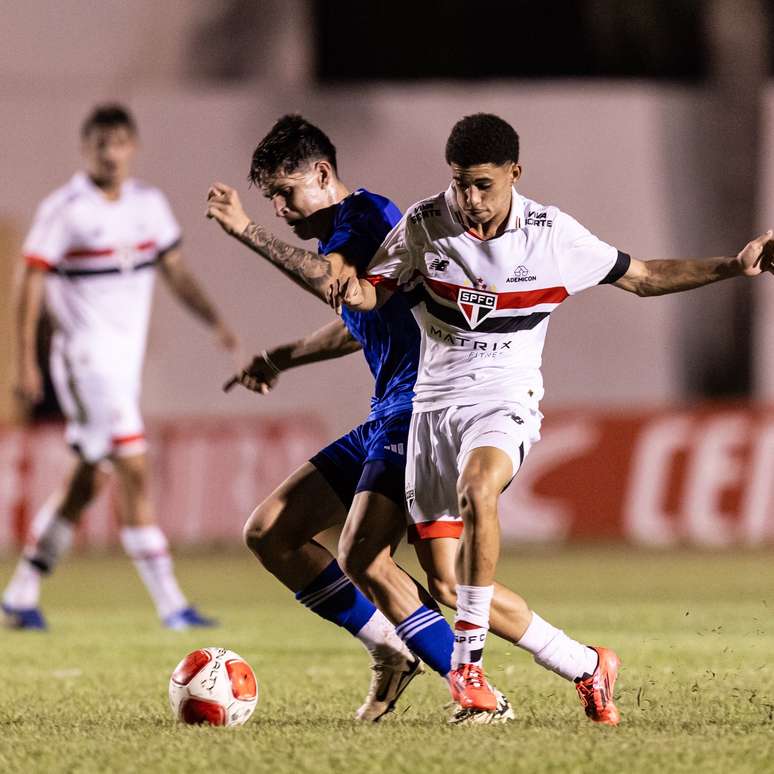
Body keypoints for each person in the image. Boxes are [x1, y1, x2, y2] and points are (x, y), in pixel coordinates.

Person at [331, 112, 774, 722]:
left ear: (515, 173)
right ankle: (586, 665)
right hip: (432, 410)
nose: (469, 199)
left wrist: (734, 264)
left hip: (504, 401)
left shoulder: (551, 235)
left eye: (483, 185)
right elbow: (376, 290)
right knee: (443, 585)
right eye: (460, 183)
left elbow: (641, 277)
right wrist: (353, 290)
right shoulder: (425, 223)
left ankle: (468, 667)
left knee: (478, 488)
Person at [207, 115, 626, 727]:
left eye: (284, 191)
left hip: (425, 407)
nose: (277, 207)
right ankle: (411, 647)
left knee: (375, 559)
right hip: (388, 412)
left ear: (323, 174)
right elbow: (358, 319)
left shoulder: (369, 219)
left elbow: (338, 283)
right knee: (272, 531)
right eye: (269, 198)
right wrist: (284, 357)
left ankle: (478, 692)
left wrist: (245, 230)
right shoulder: (341, 233)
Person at [2, 104, 238, 631]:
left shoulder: (148, 206)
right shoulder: (64, 210)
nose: (110, 153)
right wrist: (23, 362)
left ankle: (20, 594)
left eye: (118, 142)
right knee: (133, 466)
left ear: (132, 146)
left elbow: (174, 271)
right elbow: (28, 283)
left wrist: (213, 319)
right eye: (100, 143)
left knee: (85, 482)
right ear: (86, 148)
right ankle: (172, 605)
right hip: (86, 362)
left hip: (120, 368)